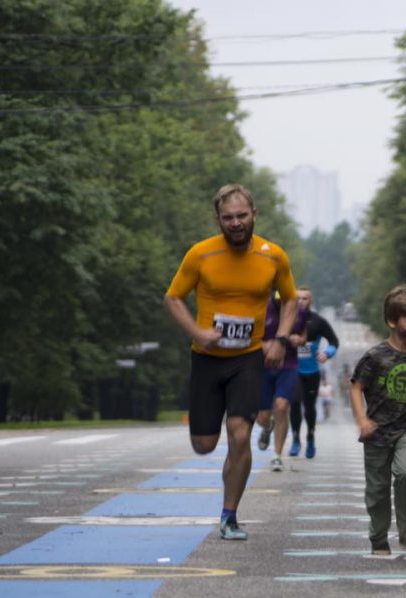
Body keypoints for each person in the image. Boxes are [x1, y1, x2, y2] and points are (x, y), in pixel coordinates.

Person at [164, 183, 298, 541]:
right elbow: (173, 297)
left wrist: (281, 339)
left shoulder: (274, 256)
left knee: (240, 435)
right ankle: (226, 494)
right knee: (204, 445)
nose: (236, 223)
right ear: (218, 220)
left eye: (241, 216)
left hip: (248, 359)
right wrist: (197, 330)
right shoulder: (201, 254)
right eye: (228, 218)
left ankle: (229, 515)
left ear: (254, 214)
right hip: (207, 360)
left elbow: (290, 300)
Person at [349, 284, 406, 555]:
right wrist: (362, 420)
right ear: (392, 321)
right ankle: (378, 538)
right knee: (376, 489)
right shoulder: (375, 357)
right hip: (377, 431)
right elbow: (355, 387)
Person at [256, 292, 306, 472]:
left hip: (288, 366)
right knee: (262, 417)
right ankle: (267, 427)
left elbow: (304, 336)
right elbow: (250, 337)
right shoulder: (261, 307)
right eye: (278, 301)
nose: (281, 304)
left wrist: (299, 340)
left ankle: (277, 456)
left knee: (282, 406)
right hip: (264, 367)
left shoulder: (300, 310)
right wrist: (264, 345)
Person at [290, 287, 340, 458]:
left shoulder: (318, 321)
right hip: (292, 370)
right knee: (295, 403)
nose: (301, 301)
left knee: (309, 407)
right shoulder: (287, 320)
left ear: (310, 301)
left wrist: (327, 353)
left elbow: (334, 341)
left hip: (311, 372)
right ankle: (296, 439)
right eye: (298, 298)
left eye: (305, 298)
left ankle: (310, 437)